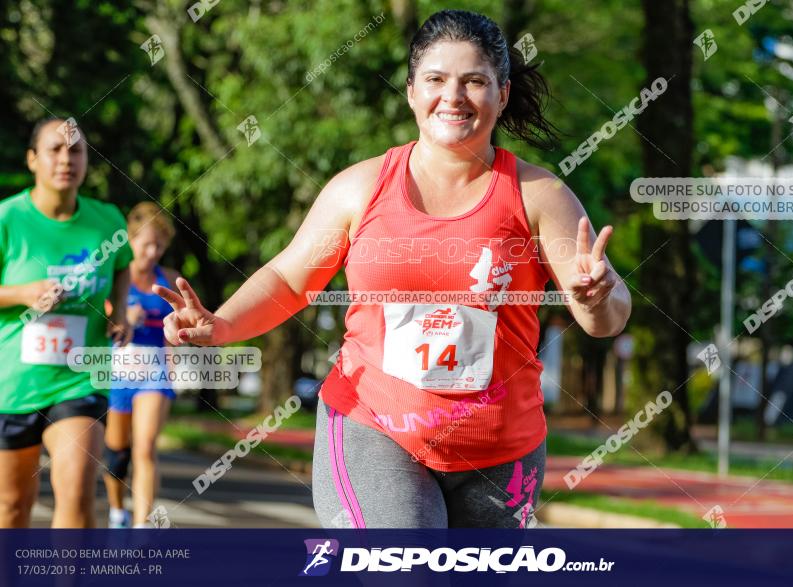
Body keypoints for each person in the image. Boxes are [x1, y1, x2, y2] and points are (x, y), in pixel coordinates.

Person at [156, 9, 631, 528]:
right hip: (373, 425)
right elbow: (291, 279)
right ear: (411, 93)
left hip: (501, 451)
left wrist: (595, 298)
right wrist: (222, 324)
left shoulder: (539, 195)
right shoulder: (360, 188)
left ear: (503, 94)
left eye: (475, 81)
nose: (453, 96)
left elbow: (606, 318)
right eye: (436, 80)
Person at [0, 118, 132, 528]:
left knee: (75, 493)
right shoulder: (8, 218)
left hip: (79, 379)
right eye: (55, 149)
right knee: (11, 508)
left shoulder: (108, 220)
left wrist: (121, 310)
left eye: (75, 150)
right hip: (12, 383)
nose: (66, 159)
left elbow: (122, 267)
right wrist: (24, 293)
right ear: (32, 159)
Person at [103, 202, 180, 528]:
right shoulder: (114, 277)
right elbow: (100, 322)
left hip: (154, 371)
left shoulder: (170, 280)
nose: (152, 251)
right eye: (146, 243)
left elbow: (177, 332)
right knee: (116, 453)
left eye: (159, 246)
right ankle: (118, 511)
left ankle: (141, 527)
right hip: (117, 371)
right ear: (131, 241)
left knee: (145, 447)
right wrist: (119, 317)